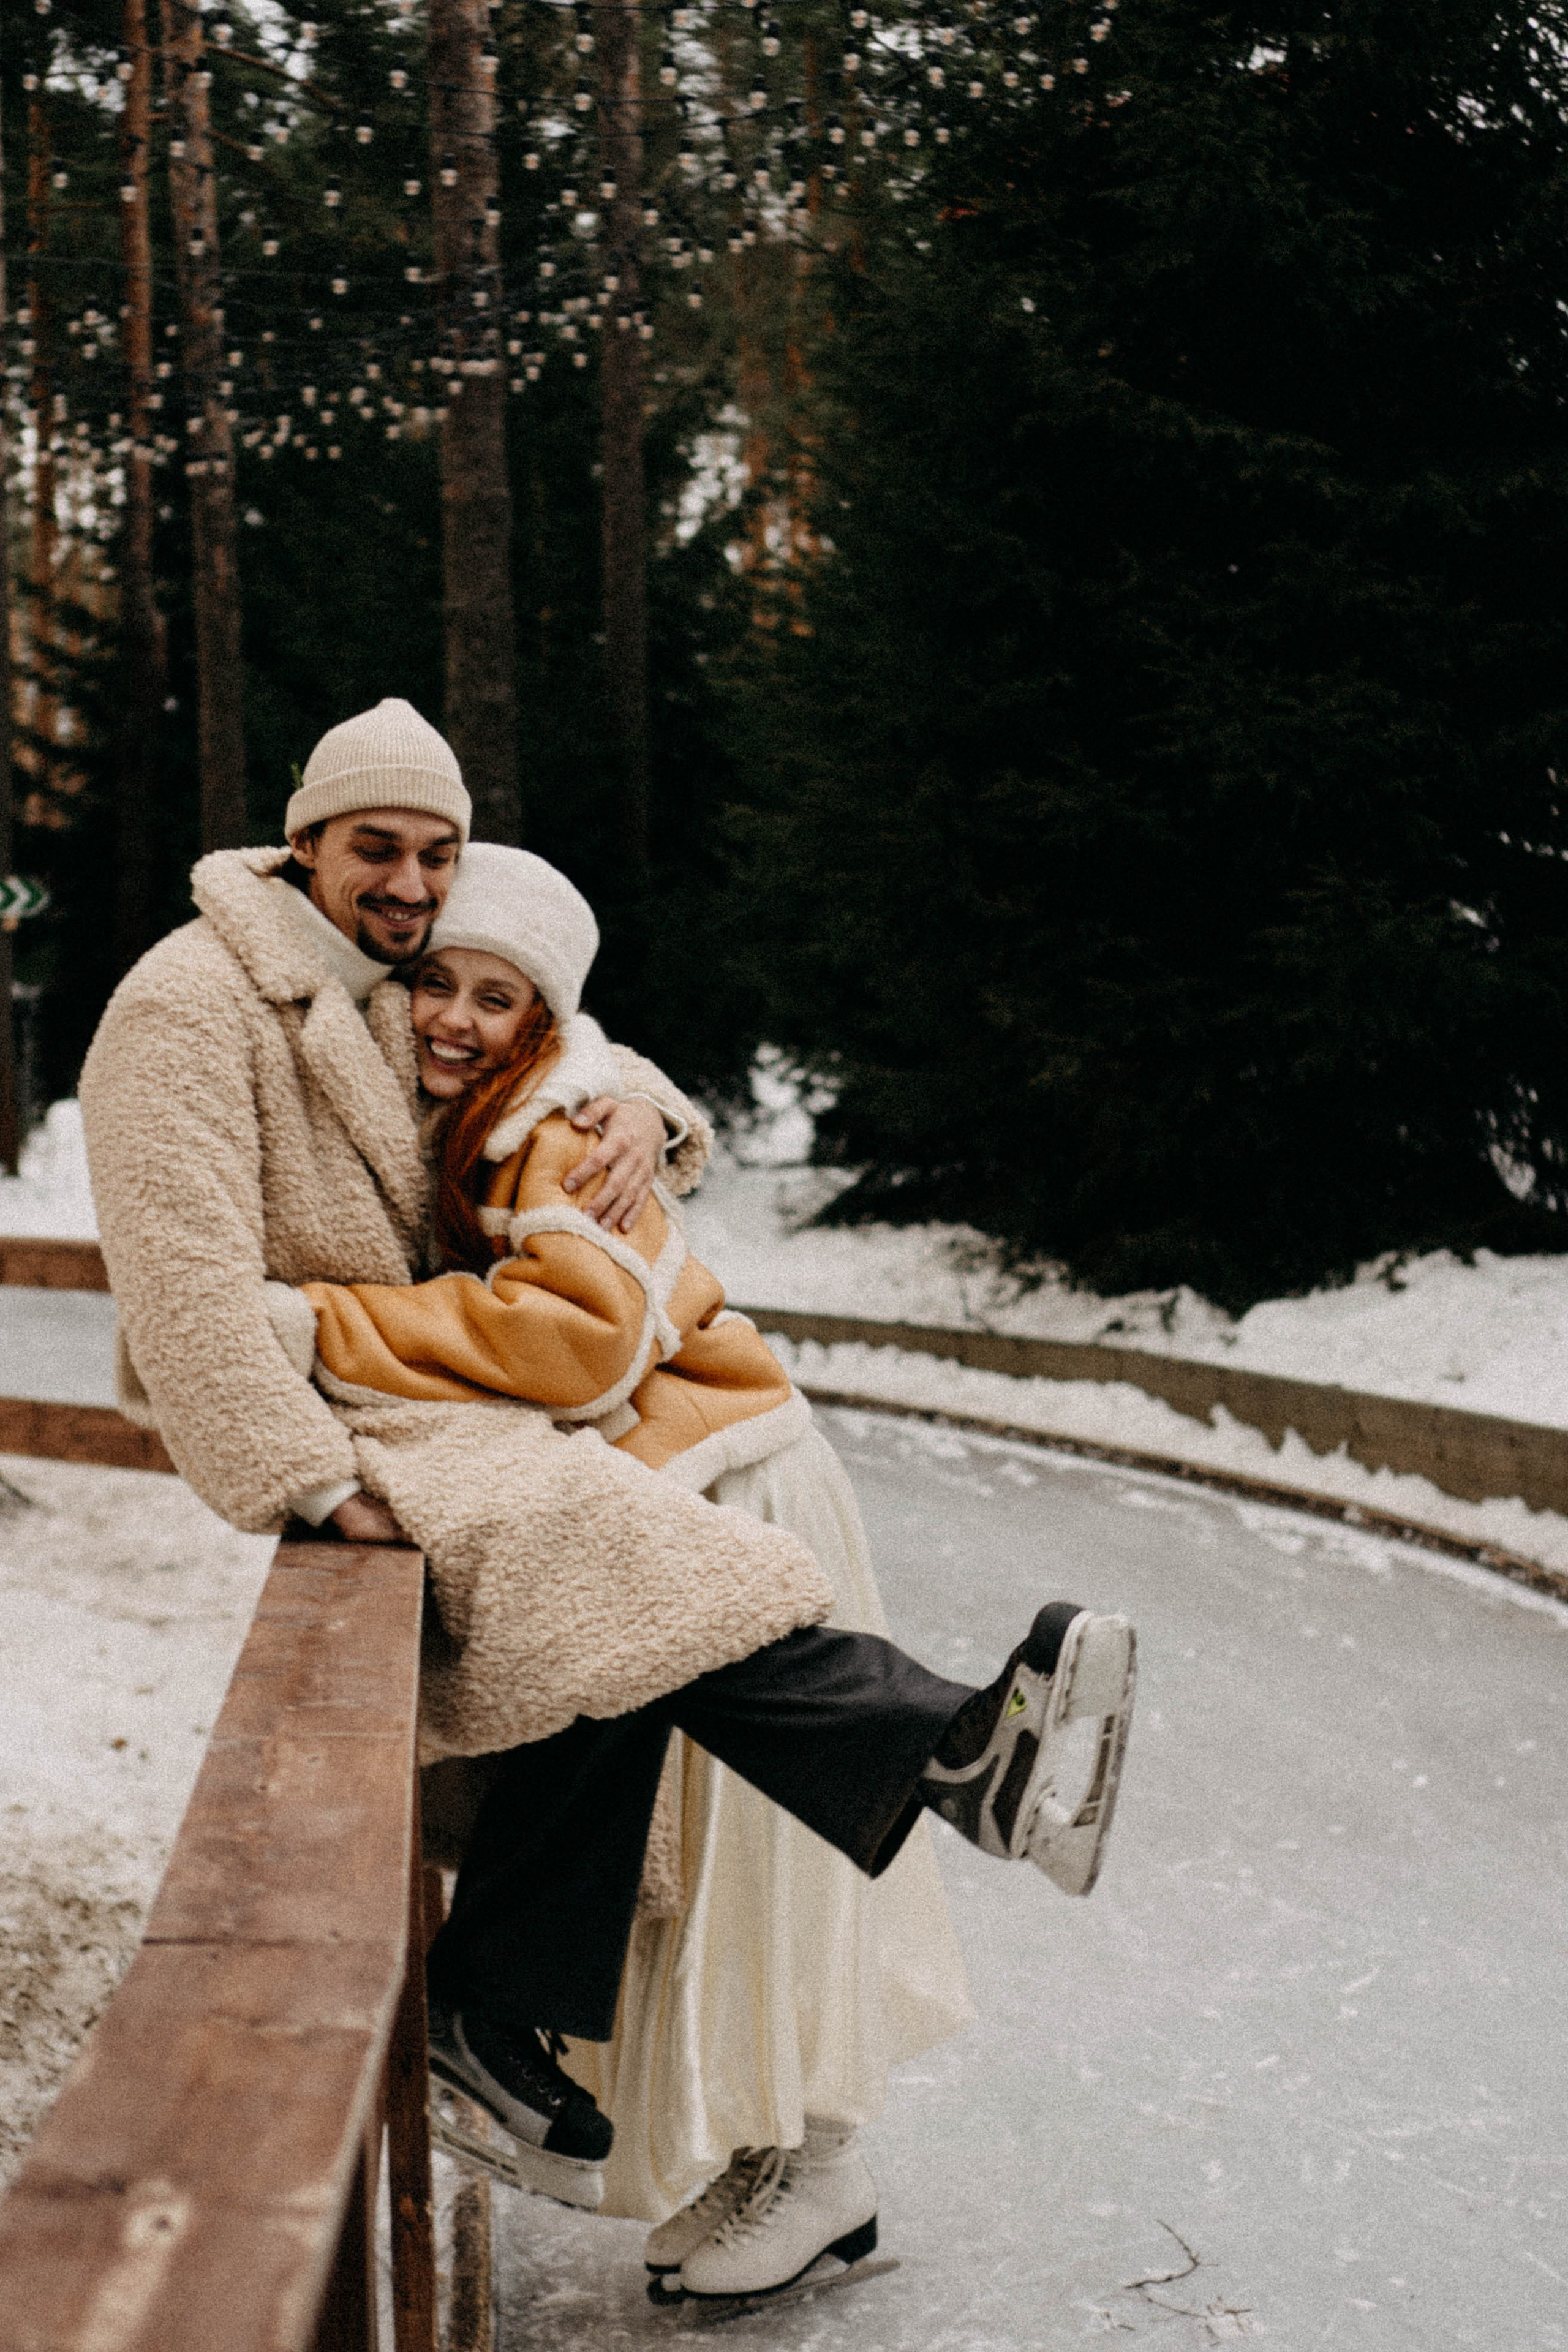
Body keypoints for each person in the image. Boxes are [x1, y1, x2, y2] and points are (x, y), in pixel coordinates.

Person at [80, 699, 1136, 2309]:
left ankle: (612, 2009)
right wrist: (300, 1480)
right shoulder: (191, 1006)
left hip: (507, 1425)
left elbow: (536, 1040)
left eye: (438, 852)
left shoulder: (376, 984)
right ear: (306, 842)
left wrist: (637, 1101)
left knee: (638, 1646)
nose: (415, 885)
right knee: (617, 1606)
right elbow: (182, 1280)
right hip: (386, 1427)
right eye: (382, 847)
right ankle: (927, 1768)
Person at [296, 842, 978, 2285]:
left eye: (497, 996)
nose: (450, 1018)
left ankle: (816, 2168)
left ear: (545, 1026)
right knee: (718, 1872)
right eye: (433, 980)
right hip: (674, 1495)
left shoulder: (546, 1117)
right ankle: (798, 2170)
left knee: (759, 1869)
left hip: (731, 1491)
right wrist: (635, 1095)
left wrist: (326, 1326)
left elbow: (575, 1337)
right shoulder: (520, 1106)